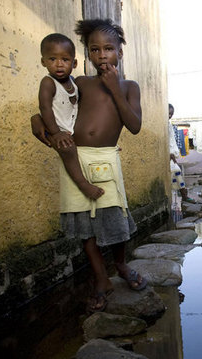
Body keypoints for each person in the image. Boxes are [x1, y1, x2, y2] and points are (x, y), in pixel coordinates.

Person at [31, 19, 147, 312]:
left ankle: (120, 265)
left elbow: (133, 126)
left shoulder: (129, 87)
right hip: (76, 159)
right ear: (87, 55)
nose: (102, 55)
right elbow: (57, 108)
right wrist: (43, 128)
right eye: (95, 49)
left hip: (106, 159)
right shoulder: (79, 83)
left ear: (120, 52)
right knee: (86, 230)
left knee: (116, 222)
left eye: (108, 49)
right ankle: (101, 280)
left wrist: (114, 88)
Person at [38, 33, 104, 200]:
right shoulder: (48, 83)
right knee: (68, 151)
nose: (59, 65)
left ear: (74, 63)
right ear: (43, 62)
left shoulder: (73, 83)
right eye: (52, 59)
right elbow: (45, 107)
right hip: (55, 129)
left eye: (65, 60)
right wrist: (56, 133)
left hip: (68, 129)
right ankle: (84, 185)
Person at [169, 103, 194, 202]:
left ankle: (183, 195)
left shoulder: (169, 125)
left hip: (171, 154)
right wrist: (171, 154)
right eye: (169, 113)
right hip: (169, 154)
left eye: (172, 114)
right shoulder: (165, 125)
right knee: (176, 172)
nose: (170, 115)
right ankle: (184, 196)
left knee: (176, 174)